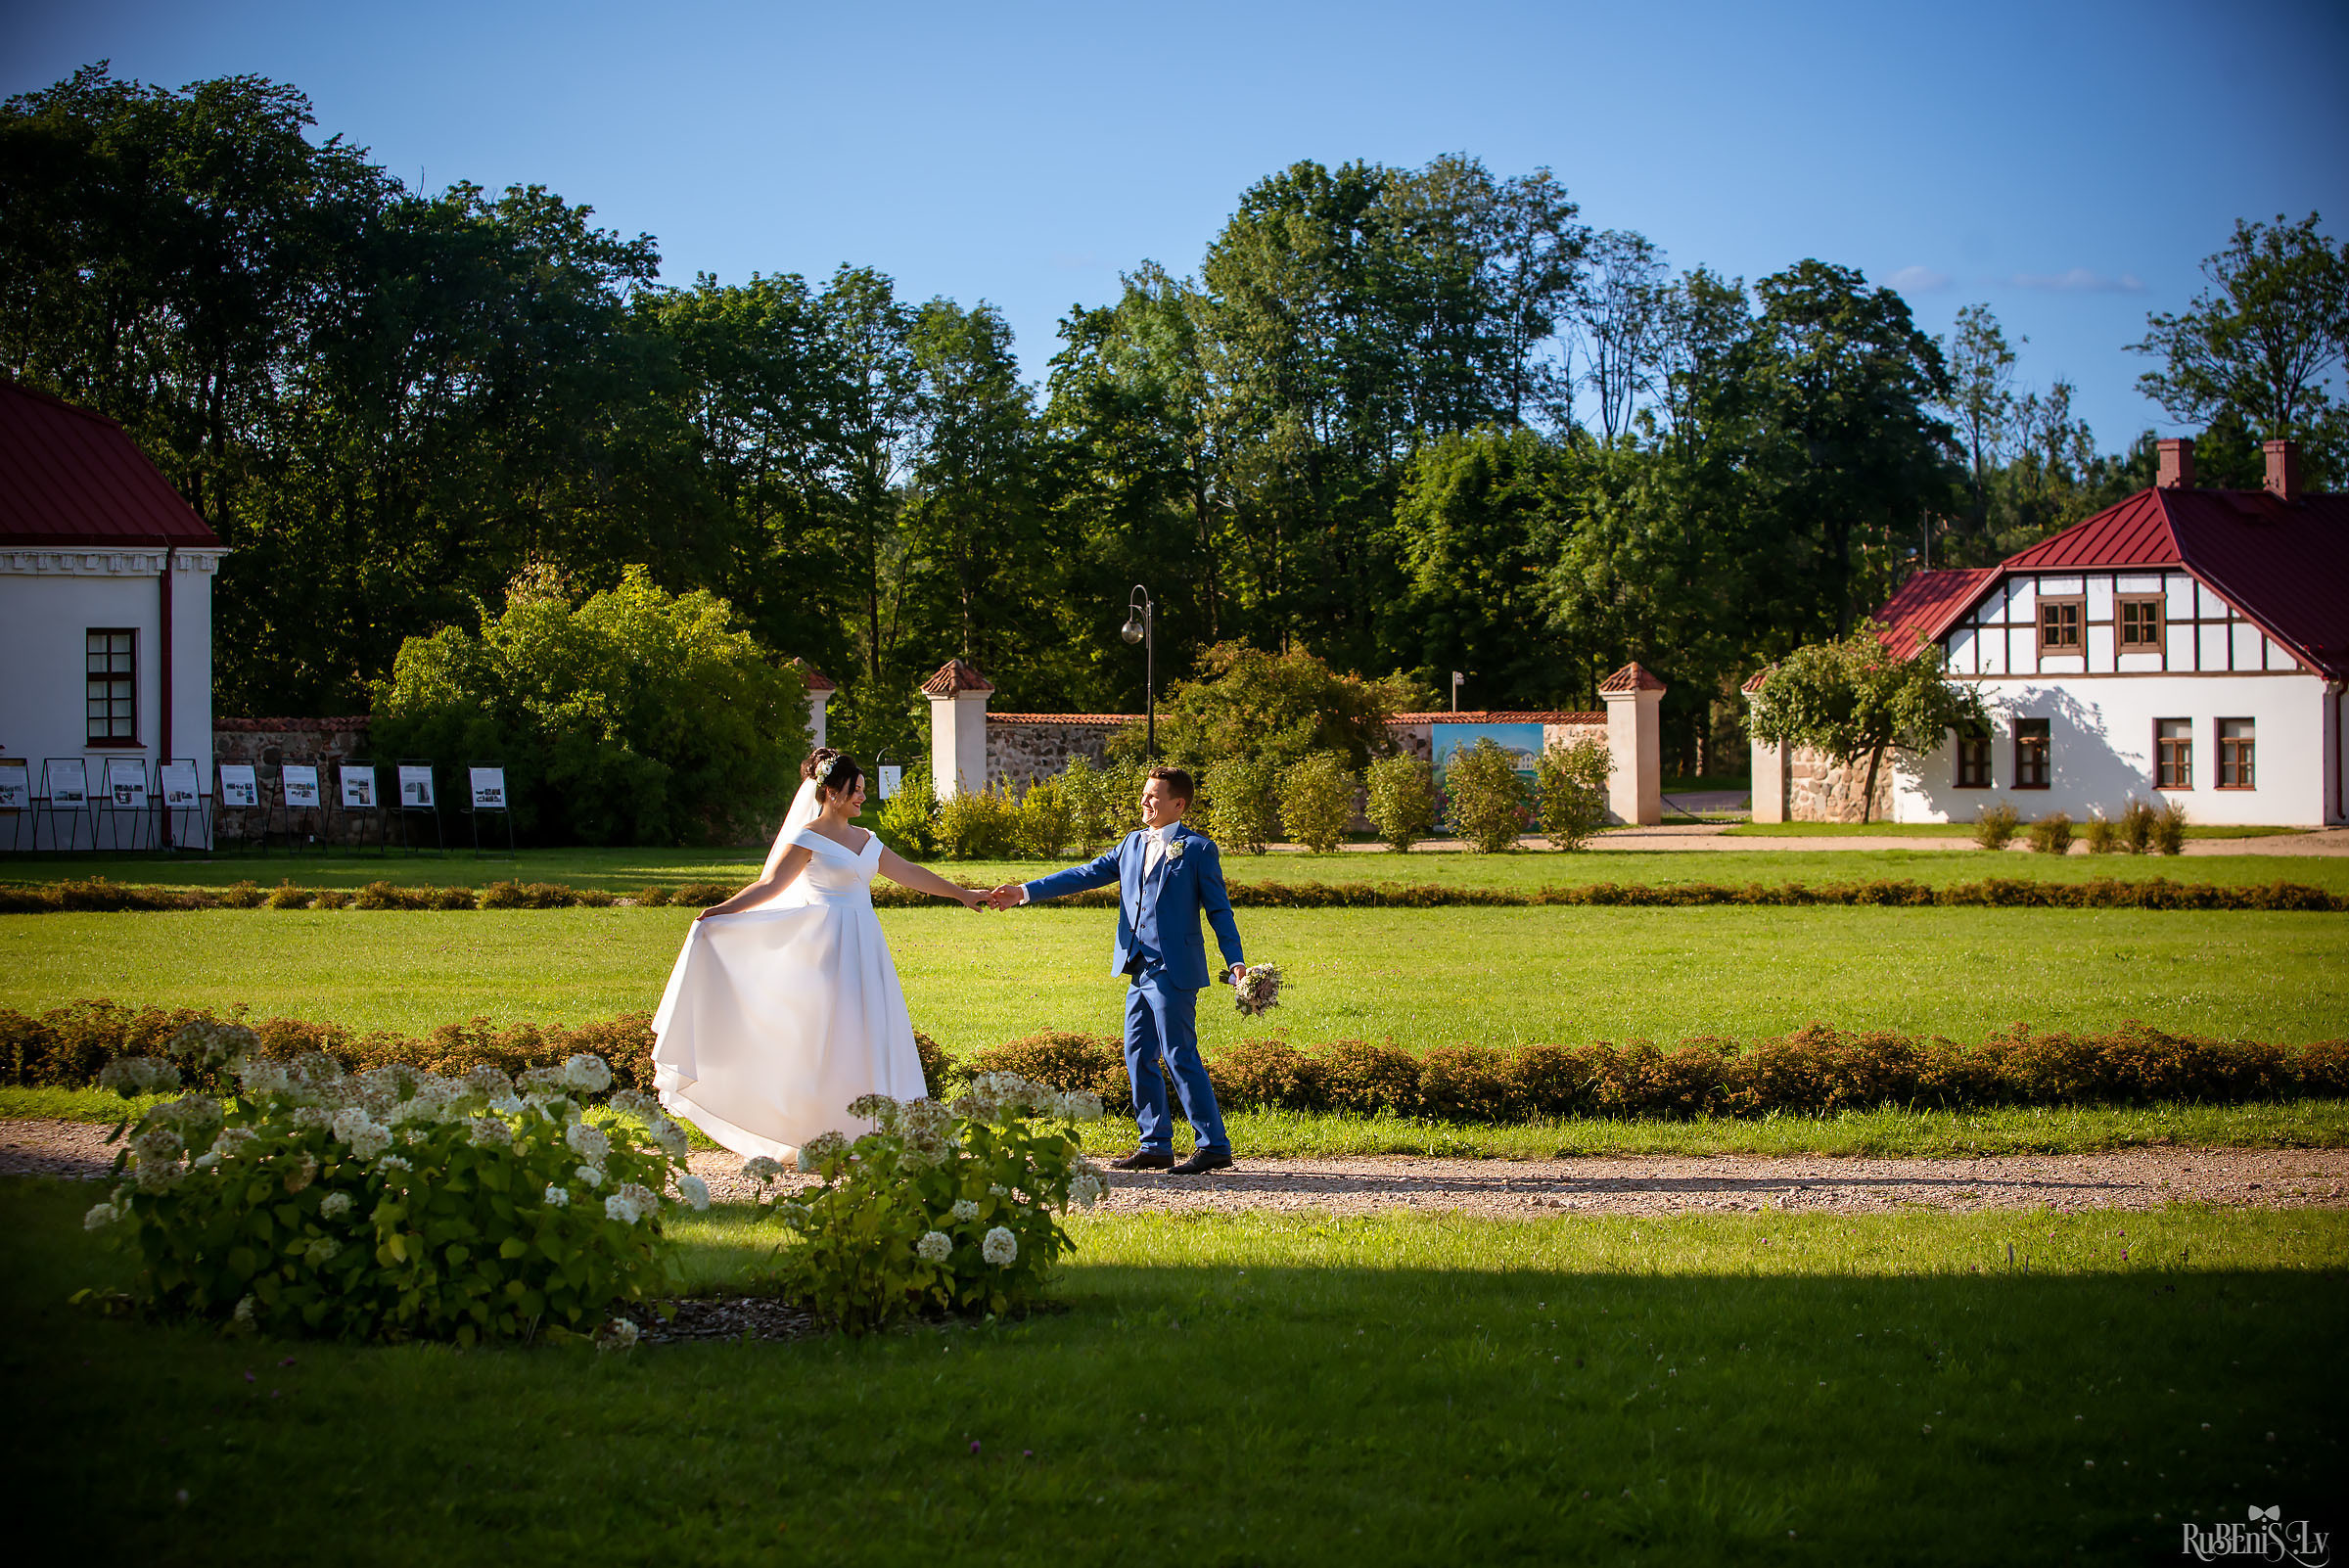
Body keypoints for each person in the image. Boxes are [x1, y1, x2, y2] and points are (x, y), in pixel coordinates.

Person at [650, 749, 985, 1160]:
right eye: (855, 790)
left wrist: (963, 894)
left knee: (871, 1029)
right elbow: (770, 887)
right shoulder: (806, 838)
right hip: (828, 945)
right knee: (834, 1036)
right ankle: (823, 1131)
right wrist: (720, 912)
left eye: (863, 790)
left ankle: (874, 1131)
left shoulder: (867, 840)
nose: (863, 797)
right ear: (829, 791)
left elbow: (911, 873)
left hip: (866, 945)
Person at [988, 765, 1243, 1175]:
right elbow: (1084, 875)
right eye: (1144, 794)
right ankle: (1155, 1143)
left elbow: (1219, 911)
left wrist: (1236, 962)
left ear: (1178, 804)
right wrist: (1024, 892)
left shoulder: (1197, 850)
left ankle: (1213, 1143)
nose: (1145, 802)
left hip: (1173, 969)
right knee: (1137, 1053)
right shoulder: (1130, 845)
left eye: (1154, 796)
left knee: (1179, 1054)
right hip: (1138, 967)